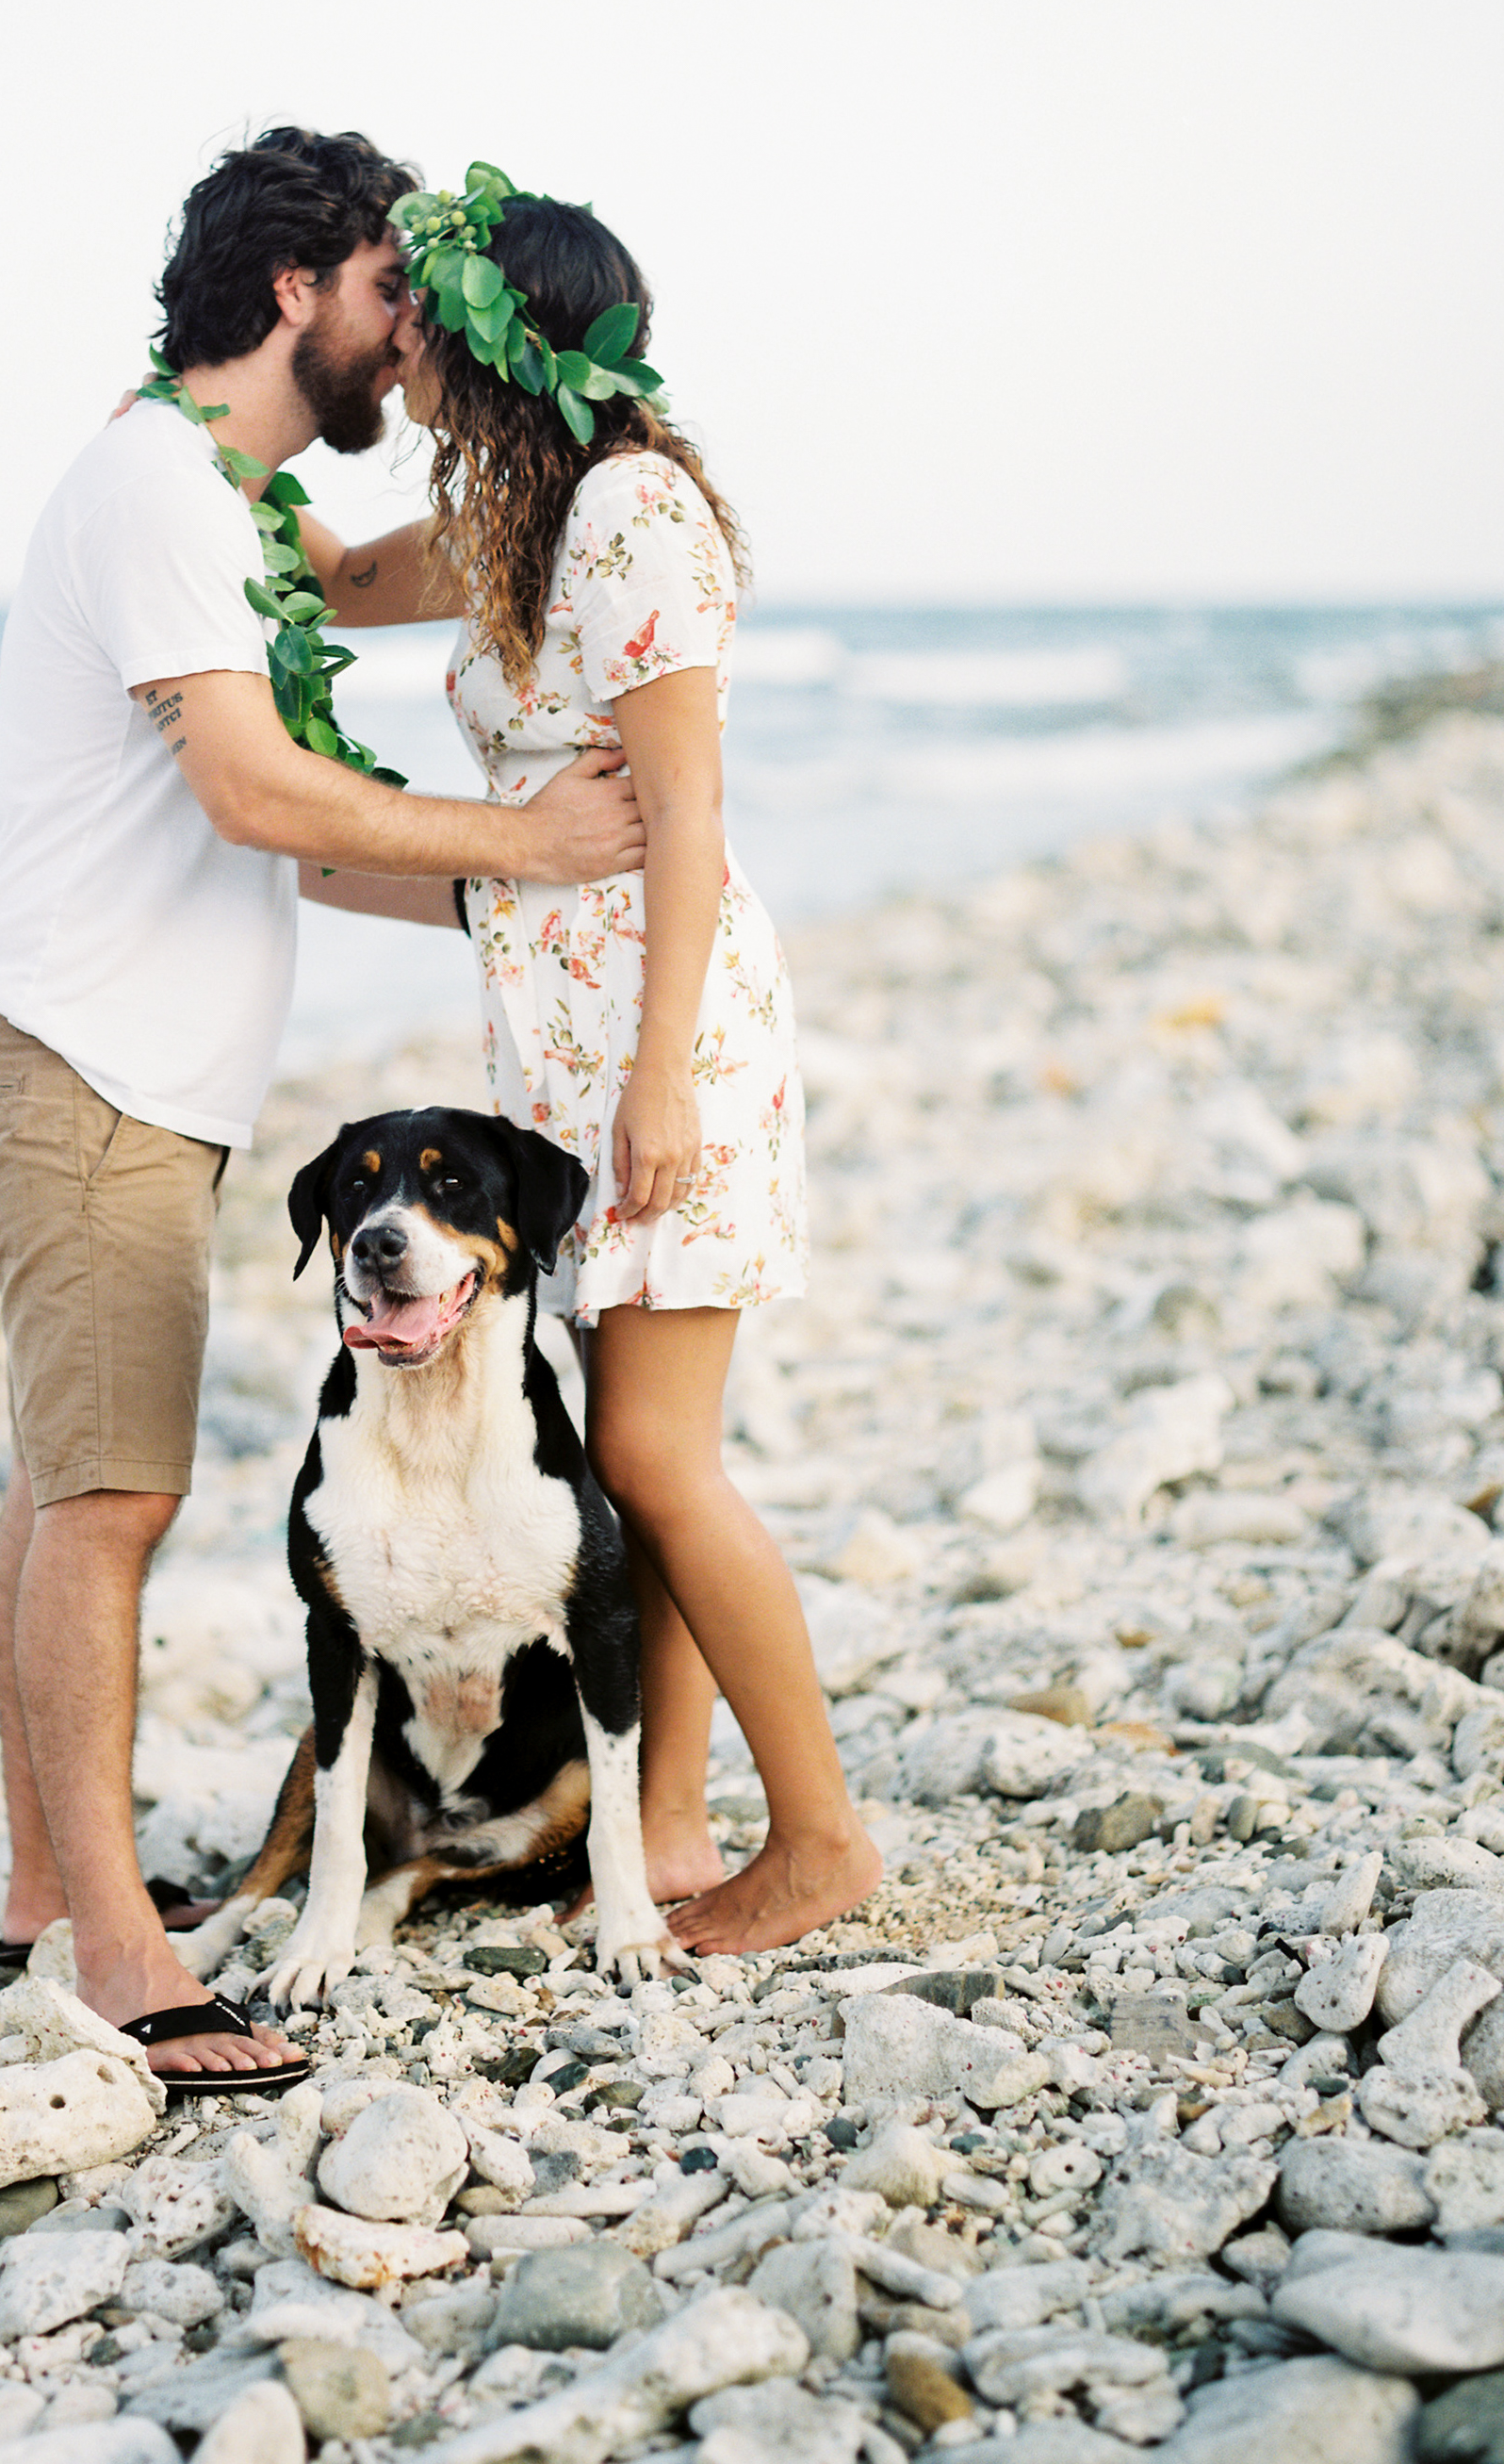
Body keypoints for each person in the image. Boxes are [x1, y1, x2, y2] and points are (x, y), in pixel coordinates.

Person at [0, 128, 647, 2094]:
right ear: (290, 293)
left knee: (59, 1487)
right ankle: (119, 1952)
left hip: (105, 1074)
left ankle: (30, 1892)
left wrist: (548, 869)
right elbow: (265, 796)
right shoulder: (163, 486)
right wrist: (522, 828)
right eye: (387, 296)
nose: (406, 333)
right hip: (82, 1070)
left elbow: (316, 813)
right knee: (109, 1505)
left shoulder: (218, 505)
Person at [286, 171, 882, 1954]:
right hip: (559, 1035)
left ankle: (826, 1841)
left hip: (657, 1028)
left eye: (430, 319)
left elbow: (687, 808)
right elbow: (317, 571)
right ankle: (676, 1823)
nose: (408, 346)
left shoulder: (627, 507)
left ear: (507, 332)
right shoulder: (520, 518)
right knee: (634, 1463)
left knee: (653, 1453)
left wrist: (661, 1080)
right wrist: (188, 426)